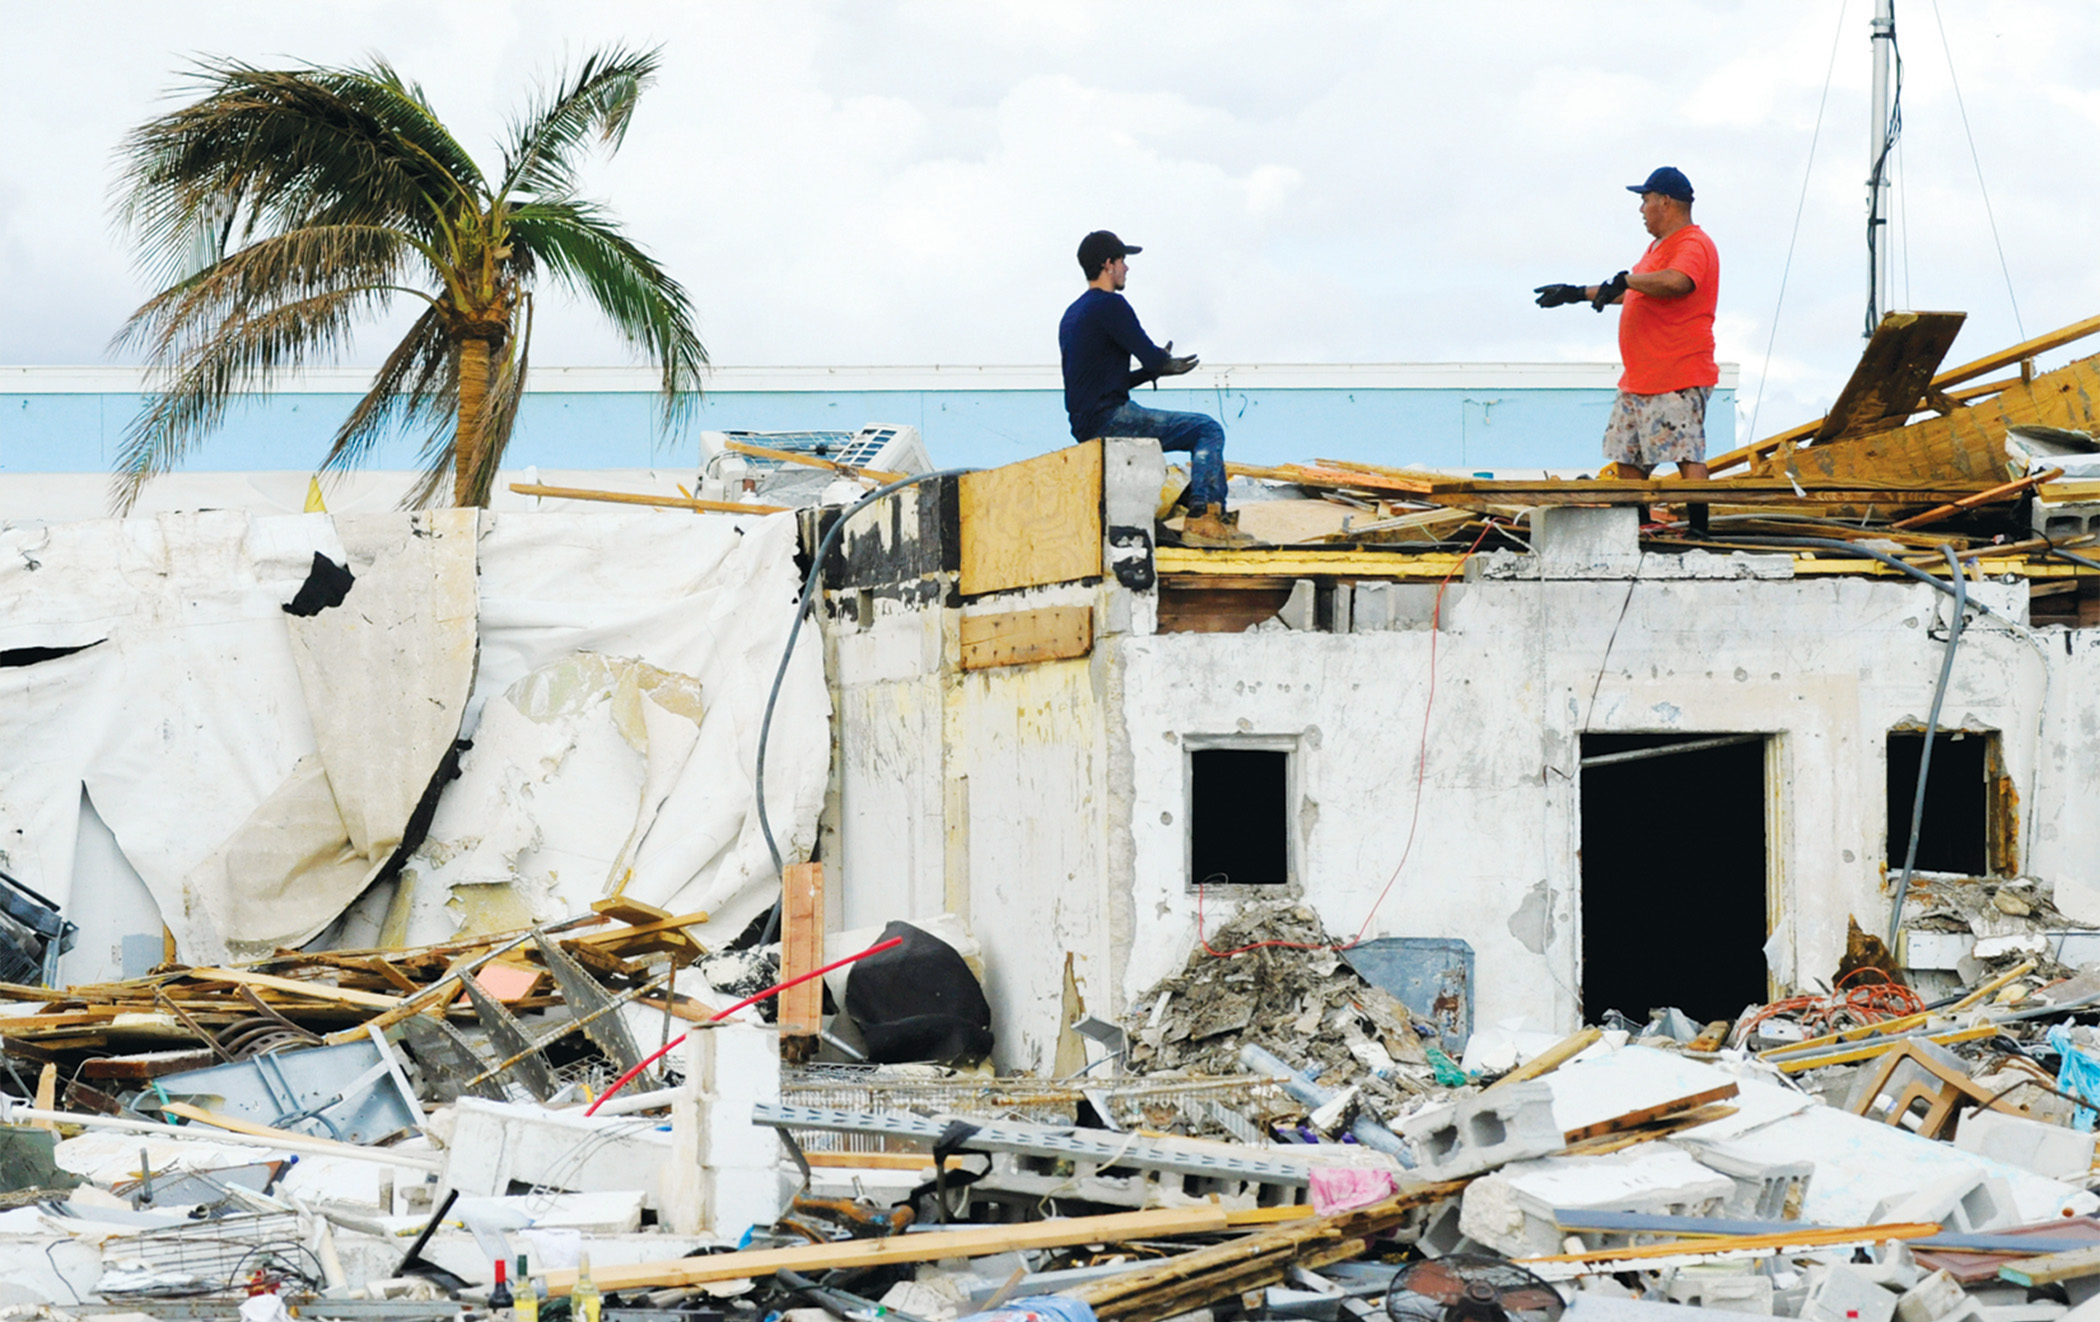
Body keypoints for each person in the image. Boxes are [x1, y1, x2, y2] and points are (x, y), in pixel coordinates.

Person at [1059, 230, 1254, 547]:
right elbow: (1150, 355)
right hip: (1112, 418)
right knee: (1207, 429)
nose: (1126, 268)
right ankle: (1206, 518)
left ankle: (1194, 506)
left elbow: (1100, 381)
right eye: (1122, 261)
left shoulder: (1072, 315)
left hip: (1086, 424)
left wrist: (1151, 372)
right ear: (1108, 264)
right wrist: (1162, 362)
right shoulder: (1111, 305)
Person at [1534, 166, 1719, 481]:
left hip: (1677, 375)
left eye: (1645, 200)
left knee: (1684, 453)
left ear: (1665, 201)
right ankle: (1639, 523)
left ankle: (1697, 528)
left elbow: (1677, 282)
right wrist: (1575, 293)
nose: (1641, 209)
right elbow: (1634, 292)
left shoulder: (1692, 243)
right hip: (1640, 379)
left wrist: (1627, 280)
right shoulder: (1656, 249)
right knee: (1627, 457)